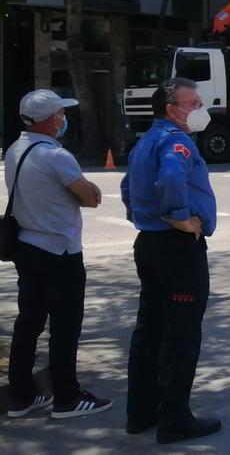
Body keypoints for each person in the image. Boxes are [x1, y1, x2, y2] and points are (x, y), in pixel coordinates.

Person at [120, 78, 220, 444]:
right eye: (192, 103)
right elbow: (172, 179)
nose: (199, 109)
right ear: (171, 109)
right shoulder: (176, 142)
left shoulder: (144, 142)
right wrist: (179, 217)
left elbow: (127, 188)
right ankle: (174, 418)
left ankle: (140, 413)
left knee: (149, 328)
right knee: (181, 334)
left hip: (149, 244)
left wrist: (142, 216)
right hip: (177, 248)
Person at [4, 89, 111, 419]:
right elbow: (90, 197)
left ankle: (22, 395)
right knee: (65, 327)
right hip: (59, 251)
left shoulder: (15, 150)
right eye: (61, 114)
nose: (64, 119)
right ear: (51, 120)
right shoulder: (56, 156)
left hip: (27, 247)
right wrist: (89, 190)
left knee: (29, 322)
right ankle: (67, 396)